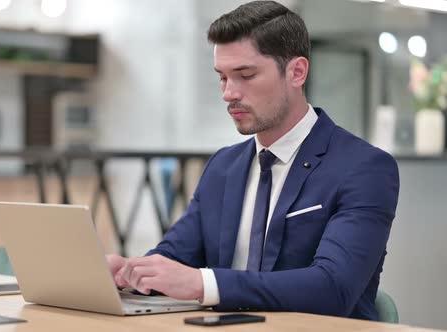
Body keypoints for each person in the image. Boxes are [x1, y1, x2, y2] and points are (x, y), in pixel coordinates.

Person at [106, 1, 399, 320]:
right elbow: (174, 257)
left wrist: (204, 283)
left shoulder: (364, 168)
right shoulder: (223, 167)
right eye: (222, 77)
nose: (228, 93)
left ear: (297, 72)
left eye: (245, 75)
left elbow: (332, 289)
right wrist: (130, 274)